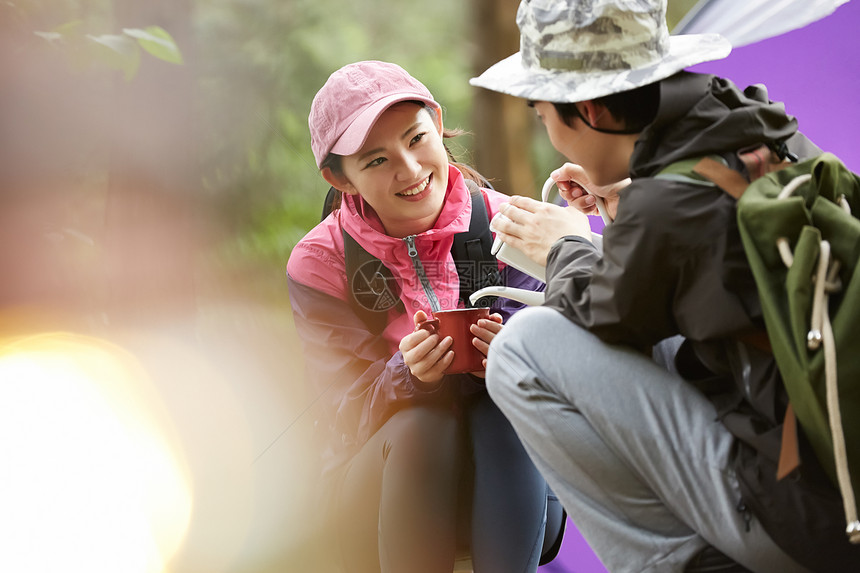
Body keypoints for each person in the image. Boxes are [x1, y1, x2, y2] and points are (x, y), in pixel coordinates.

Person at [470, 1, 860, 572]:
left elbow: (600, 314)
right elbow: (673, 275)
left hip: (798, 518)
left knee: (522, 349)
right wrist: (625, 204)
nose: (547, 132)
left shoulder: (669, 206)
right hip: (832, 482)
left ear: (590, 109)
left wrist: (564, 245)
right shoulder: (754, 130)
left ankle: (678, 564)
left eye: (542, 115)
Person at [286, 60, 564, 573]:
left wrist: (509, 362)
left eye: (416, 139)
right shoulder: (321, 263)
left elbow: (570, 376)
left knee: (502, 406)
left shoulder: (514, 226)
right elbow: (338, 410)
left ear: (437, 125)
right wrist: (406, 376)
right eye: (376, 160)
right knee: (422, 422)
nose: (410, 170)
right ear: (339, 177)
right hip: (376, 499)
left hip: (518, 487)